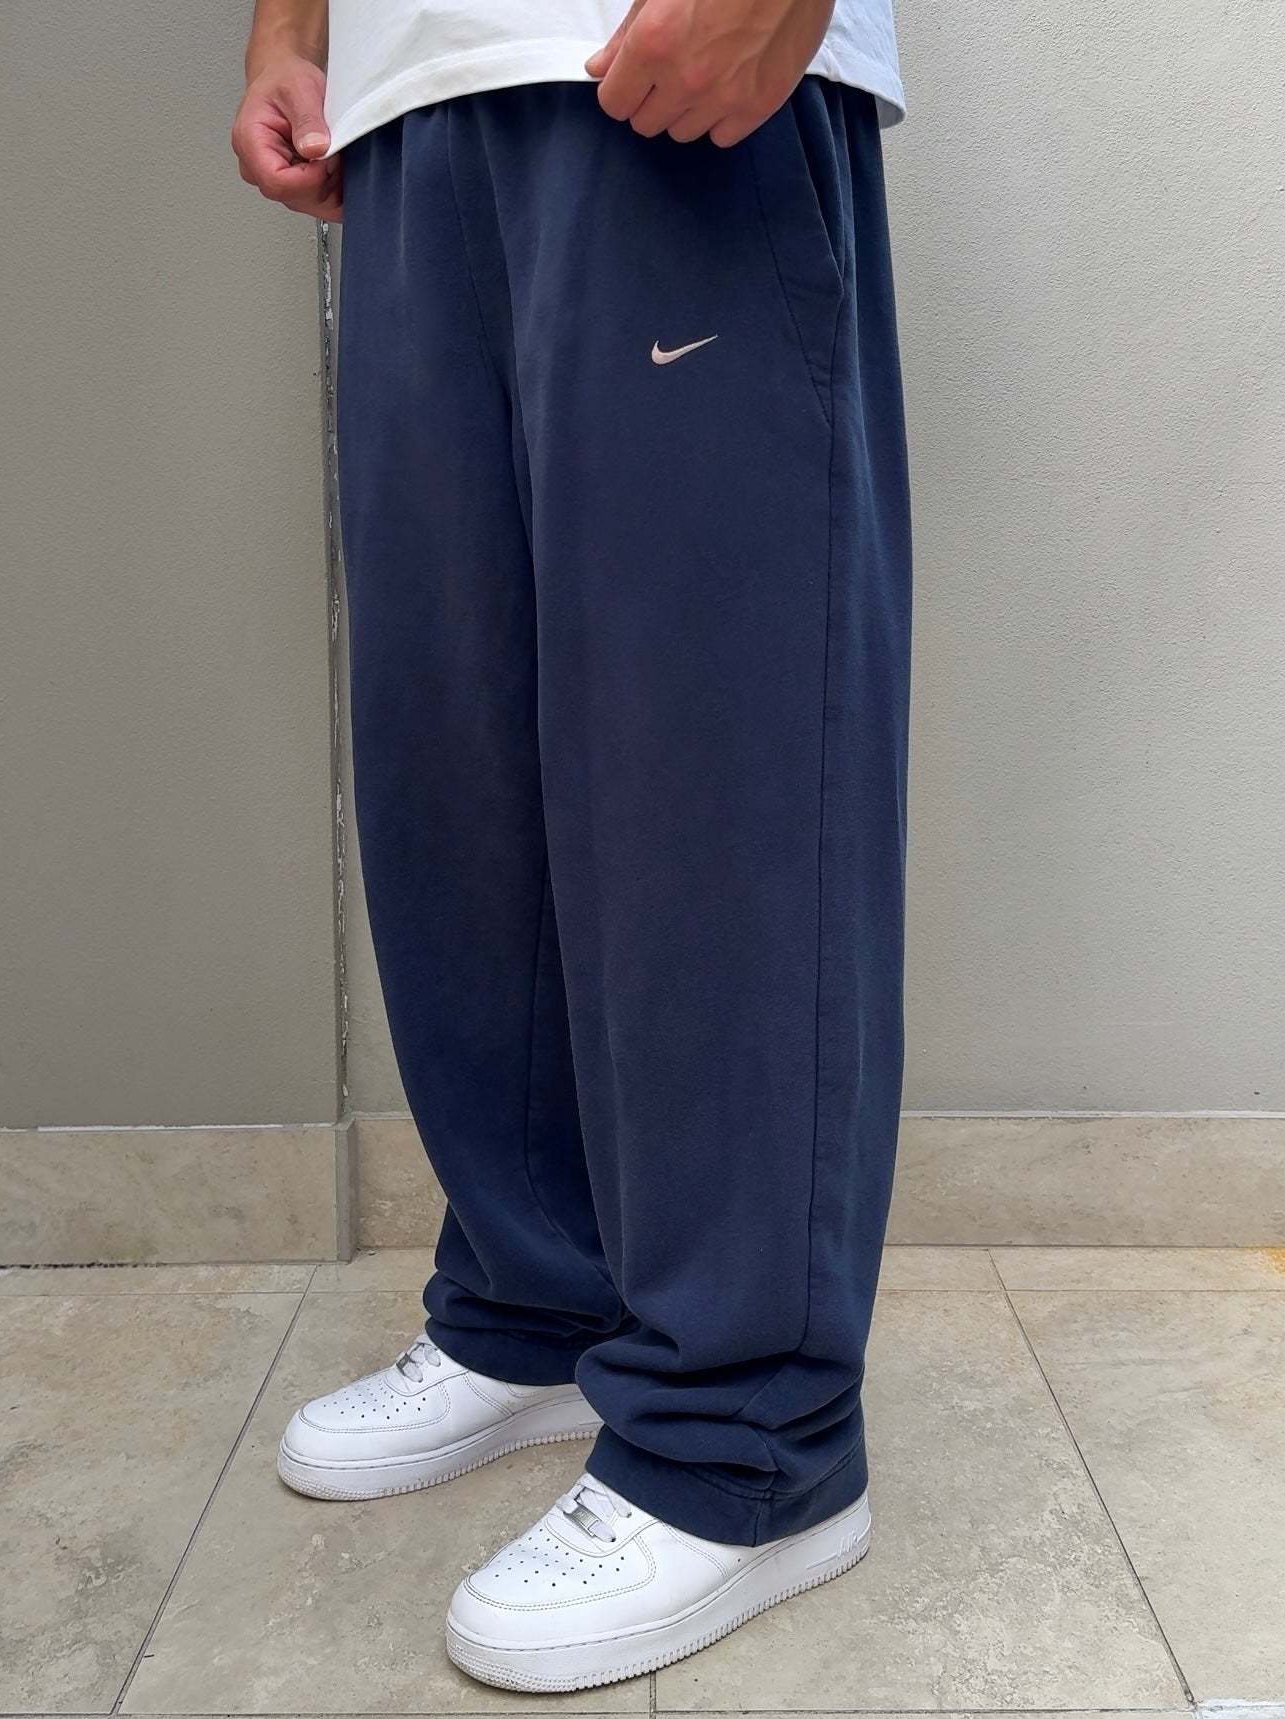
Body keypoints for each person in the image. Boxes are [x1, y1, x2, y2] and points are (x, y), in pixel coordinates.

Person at [233, 0, 911, 1691]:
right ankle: (537, 1301)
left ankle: (749, 1440)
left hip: (660, 56)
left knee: (716, 766)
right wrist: (288, 28)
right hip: (408, 98)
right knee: (456, 758)